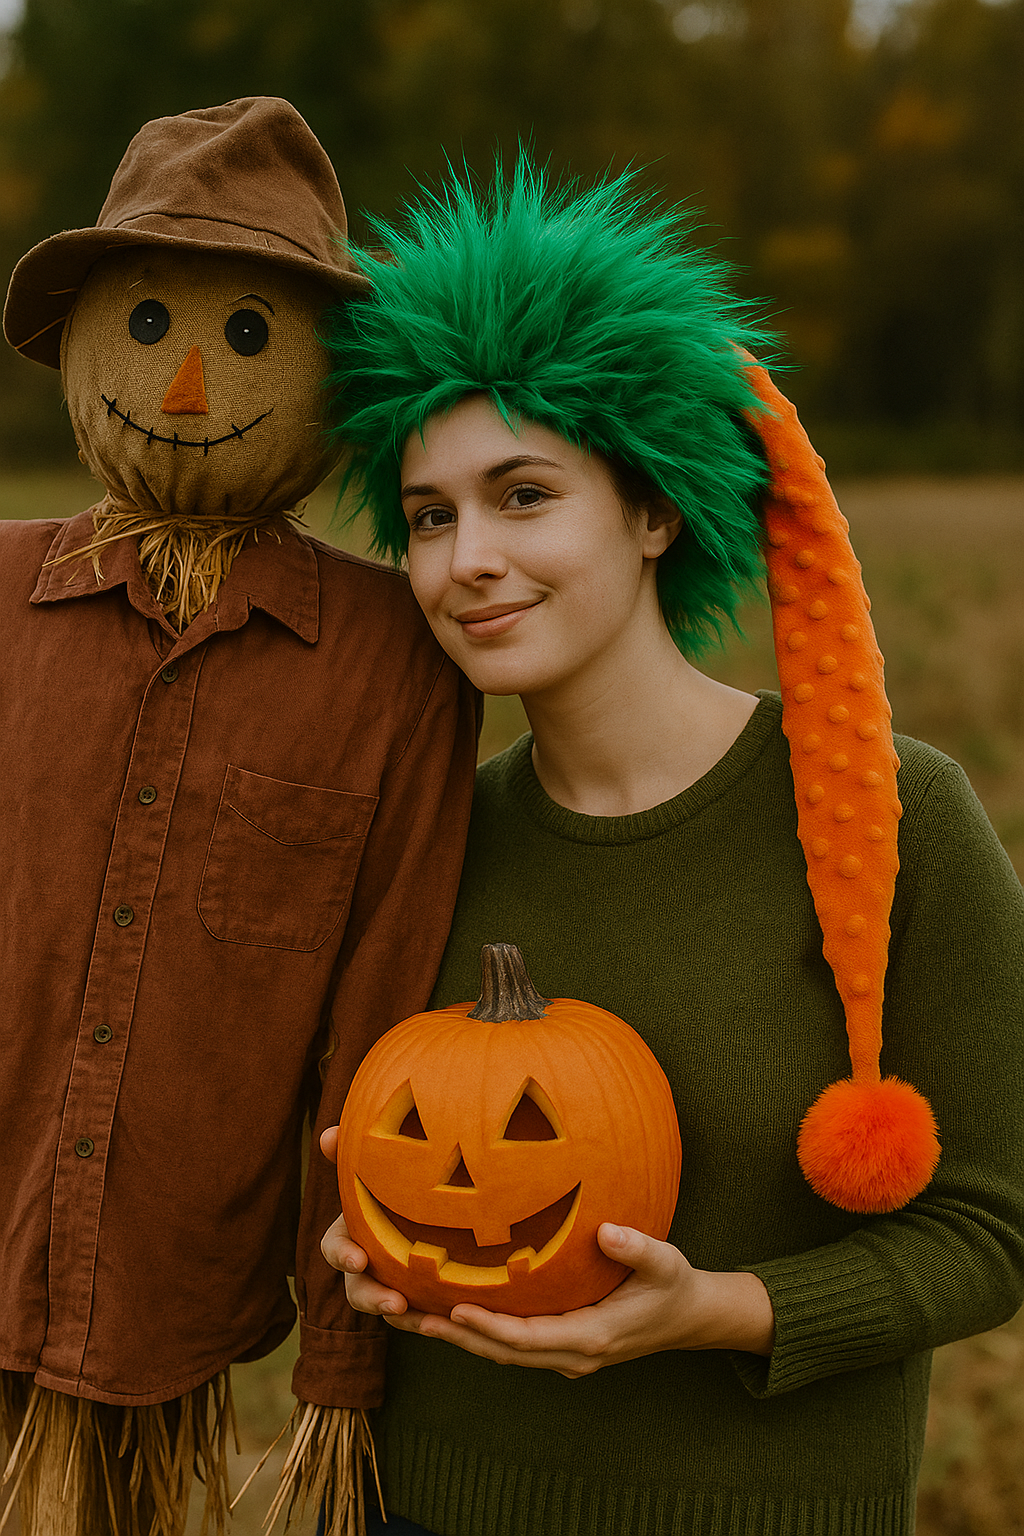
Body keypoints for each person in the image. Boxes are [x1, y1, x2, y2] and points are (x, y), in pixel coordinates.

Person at [316, 159, 1024, 1536]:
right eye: (428, 517)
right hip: (436, 1508)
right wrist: (359, 1233)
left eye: (523, 494)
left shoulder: (891, 817)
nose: (466, 559)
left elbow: (997, 1229)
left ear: (650, 511)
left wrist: (718, 1313)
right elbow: (400, 1151)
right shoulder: (429, 838)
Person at [0, 98, 478, 1536]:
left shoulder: (397, 660)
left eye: (251, 337)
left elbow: (376, 1030)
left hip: (173, 1317)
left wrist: (343, 1360)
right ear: (80, 335)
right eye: (147, 323)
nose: (193, 381)